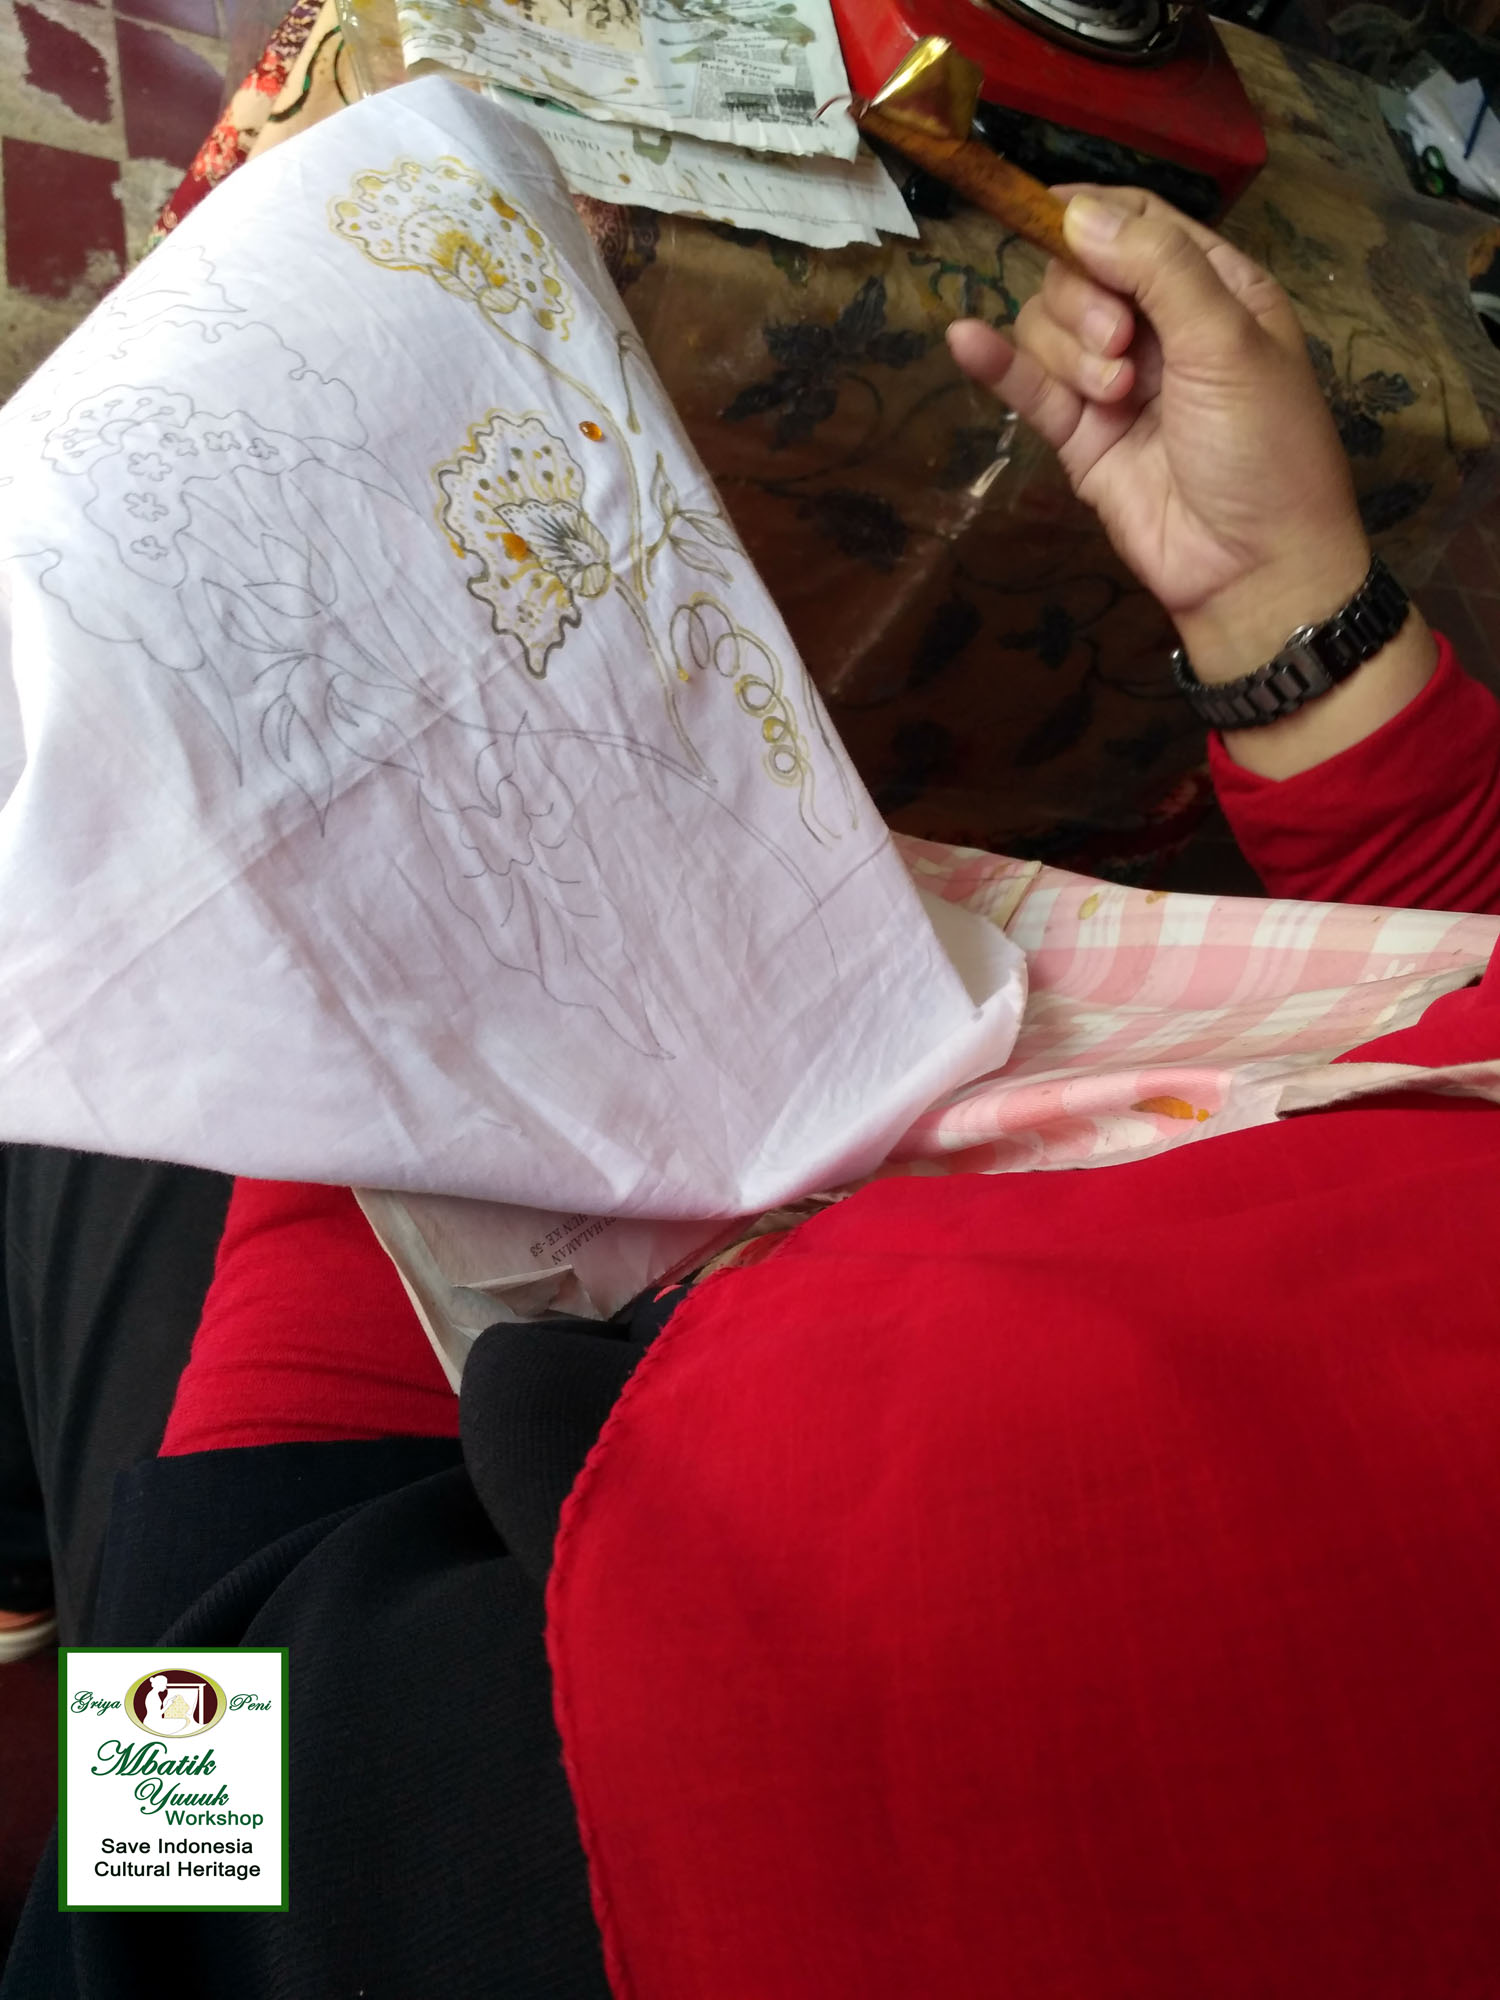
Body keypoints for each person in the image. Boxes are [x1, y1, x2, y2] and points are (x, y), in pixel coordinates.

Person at [4, 185, 1500, 1999]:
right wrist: (1301, 624)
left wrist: (366, 1017)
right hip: (773, 1233)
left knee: (91, 1108)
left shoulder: (953, 1768)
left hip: (417, 1699)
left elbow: (177, 1855)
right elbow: (1461, 994)